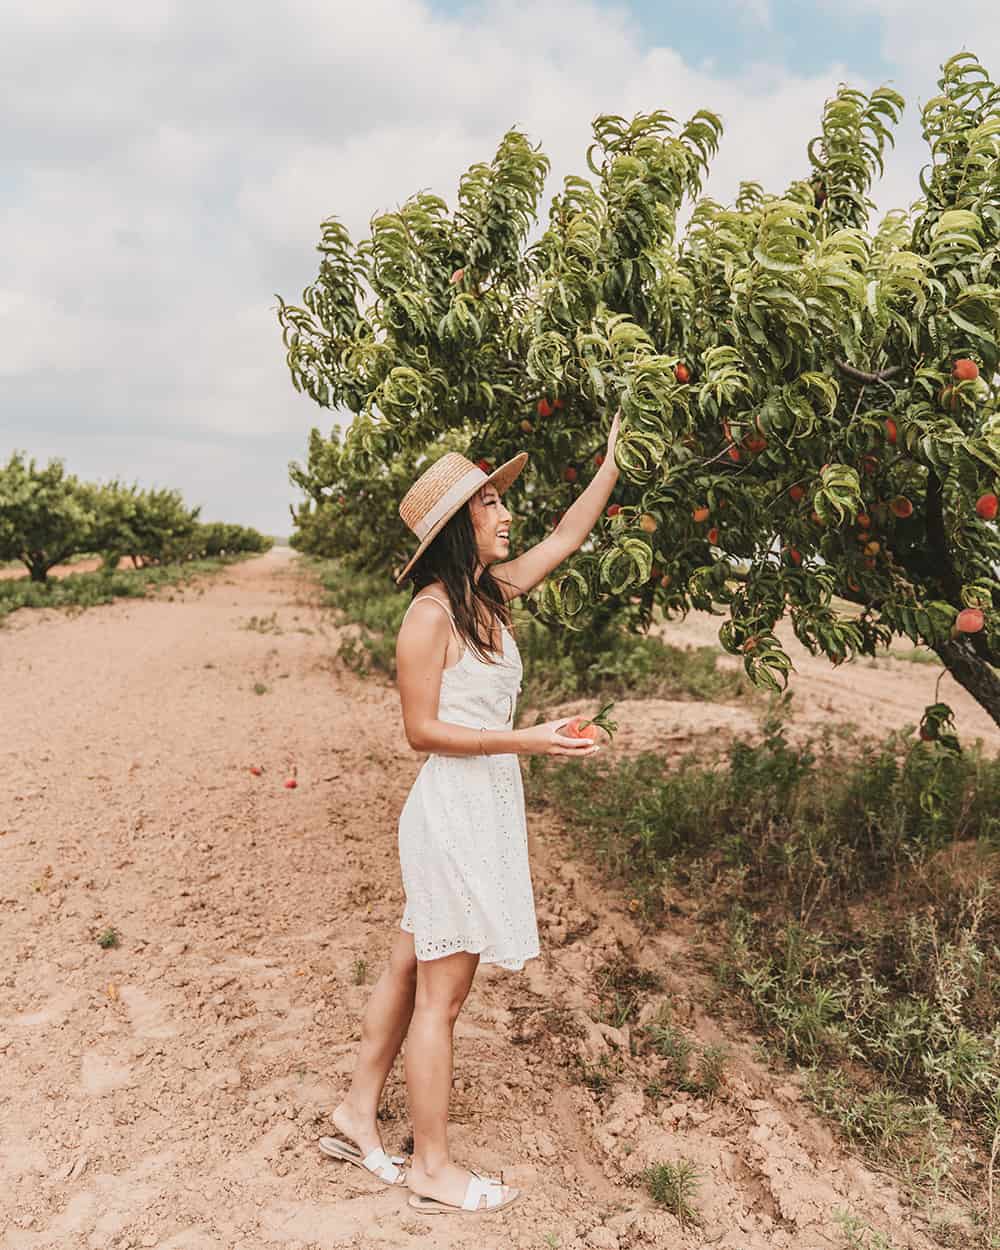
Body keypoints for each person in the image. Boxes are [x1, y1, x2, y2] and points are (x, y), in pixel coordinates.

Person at [319, 410, 622, 1215]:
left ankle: (356, 1114)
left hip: (481, 804)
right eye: (489, 504)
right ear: (459, 525)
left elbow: (562, 539)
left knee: (408, 964)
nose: (506, 513)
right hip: (451, 812)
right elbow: (419, 732)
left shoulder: (488, 595)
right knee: (442, 998)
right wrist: (531, 738)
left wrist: (613, 464)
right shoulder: (429, 616)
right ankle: (431, 1165)